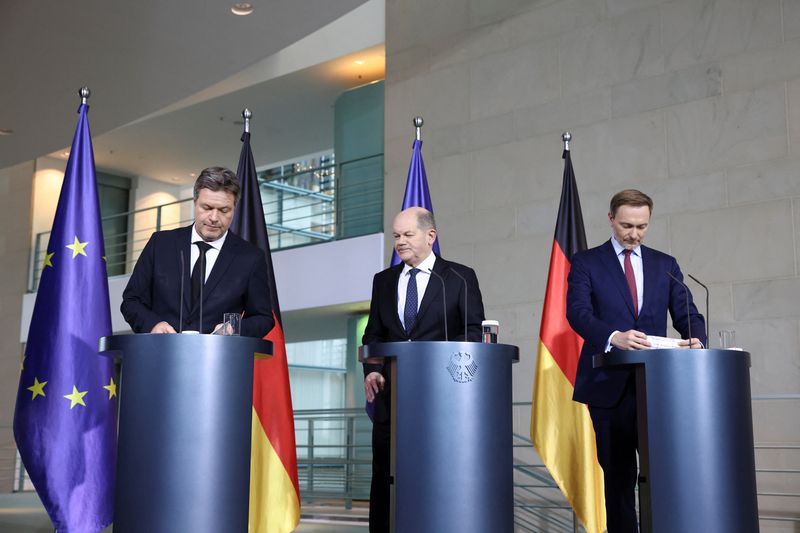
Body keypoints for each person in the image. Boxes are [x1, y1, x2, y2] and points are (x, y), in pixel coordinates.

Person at [566, 189, 706, 532]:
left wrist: (697, 339)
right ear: (611, 219)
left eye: (642, 226)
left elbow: (687, 312)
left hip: (660, 387)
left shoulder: (665, 265)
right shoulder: (587, 262)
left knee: (664, 472)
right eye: (627, 225)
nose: (634, 234)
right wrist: (614, 336)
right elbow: (578, 314)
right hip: (609, 386)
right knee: (618, 478)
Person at [361, 207, 485, 533]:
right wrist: (371, 372)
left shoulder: (459, 278)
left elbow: (472, 333)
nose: (400, 242)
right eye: (396, 236)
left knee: (436, 479)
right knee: (385, 480)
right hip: (393, 400)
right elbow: (373, 335)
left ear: (431, 236)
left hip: (442, 403)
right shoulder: (383, 281)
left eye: (407, 235)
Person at [121, 166, 273, 337]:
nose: (214, 218)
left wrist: (234, 329)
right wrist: (153, 324)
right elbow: (131, 301)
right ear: (194, 201)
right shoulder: (161, 244)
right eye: (207, 208)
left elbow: (263, 318)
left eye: (224, 210)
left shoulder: (251, 258)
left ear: (234, 208)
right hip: (160, 355)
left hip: (218, 360)